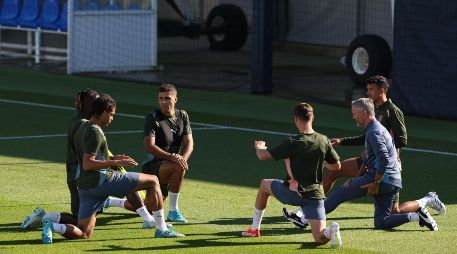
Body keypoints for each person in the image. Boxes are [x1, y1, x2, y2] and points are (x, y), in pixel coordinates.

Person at [283, 76, 445, 227]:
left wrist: (384, 147)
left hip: (386, 166)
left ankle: (427, 200)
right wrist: (343, 141)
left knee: (394, 211)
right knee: (334, 172)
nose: (368, 93)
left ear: (381, 90)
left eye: (371, 89)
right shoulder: (374, 111)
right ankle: (304, 213)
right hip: (370, 161)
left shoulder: (392, 111)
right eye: (367, 89)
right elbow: (367, 136)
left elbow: (402, 140)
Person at [40, 94, 184, 244]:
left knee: (84, 232)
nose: (112, 119)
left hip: (86, 187)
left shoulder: (82, 127)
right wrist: (112, 163)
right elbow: (88, 163)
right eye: (111, 114)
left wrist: (113, 160)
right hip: (102, 181)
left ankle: (53, 226)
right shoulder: (95, 132)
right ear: (101, 112)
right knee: (153, 180)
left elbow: (91, 157)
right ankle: (161, 229)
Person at [241, 103, 343, 248]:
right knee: (319, 237)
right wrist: (322, 162)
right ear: (312, 117)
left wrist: (260, 147)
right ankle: (329, 231)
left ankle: (254, 228)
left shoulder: (293, 142)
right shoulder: (323, 139)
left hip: (293, 193)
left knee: (264, 184)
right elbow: (337, 166)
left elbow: (263, 156)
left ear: (296, 119)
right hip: (315, 195)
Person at [21, 88, 100, 228]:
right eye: (98, 104)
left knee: (93, 209)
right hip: (80, 176)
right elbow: (86, 151)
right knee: (81, 221)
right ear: (90, 106)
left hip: (76, 173)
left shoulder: (77, 119)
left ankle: (45, 217)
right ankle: (45, 218)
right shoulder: (83, 124)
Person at [141, 83, 194, 223]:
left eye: (168, 98)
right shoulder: (152, 117)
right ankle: (173, 211)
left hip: (171, 165)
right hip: (153, 167)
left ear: (175, 99)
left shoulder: (182, 115)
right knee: (148, 208)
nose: (164, 102)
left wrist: (182, 159)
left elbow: (189, 142)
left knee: (148, 208)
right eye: (161, 98)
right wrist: (173, 158)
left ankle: (113, 202)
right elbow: (149, 147)